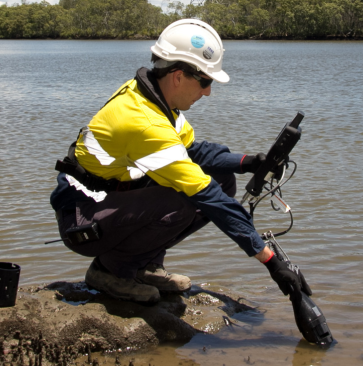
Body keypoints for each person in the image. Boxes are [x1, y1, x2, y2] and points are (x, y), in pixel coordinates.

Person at [50, 19, 312, 306]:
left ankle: (145, 265)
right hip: (82, 219)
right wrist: (271, 261)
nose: (208, 91)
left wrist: (249, 162)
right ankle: (111, 271)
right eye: (205, 81)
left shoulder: (155, 99)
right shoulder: (143, 121)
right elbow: (207, 196)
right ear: (178, 76)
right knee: (190, 197)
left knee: (224, 180)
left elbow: (193, 152)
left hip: (111, 199)